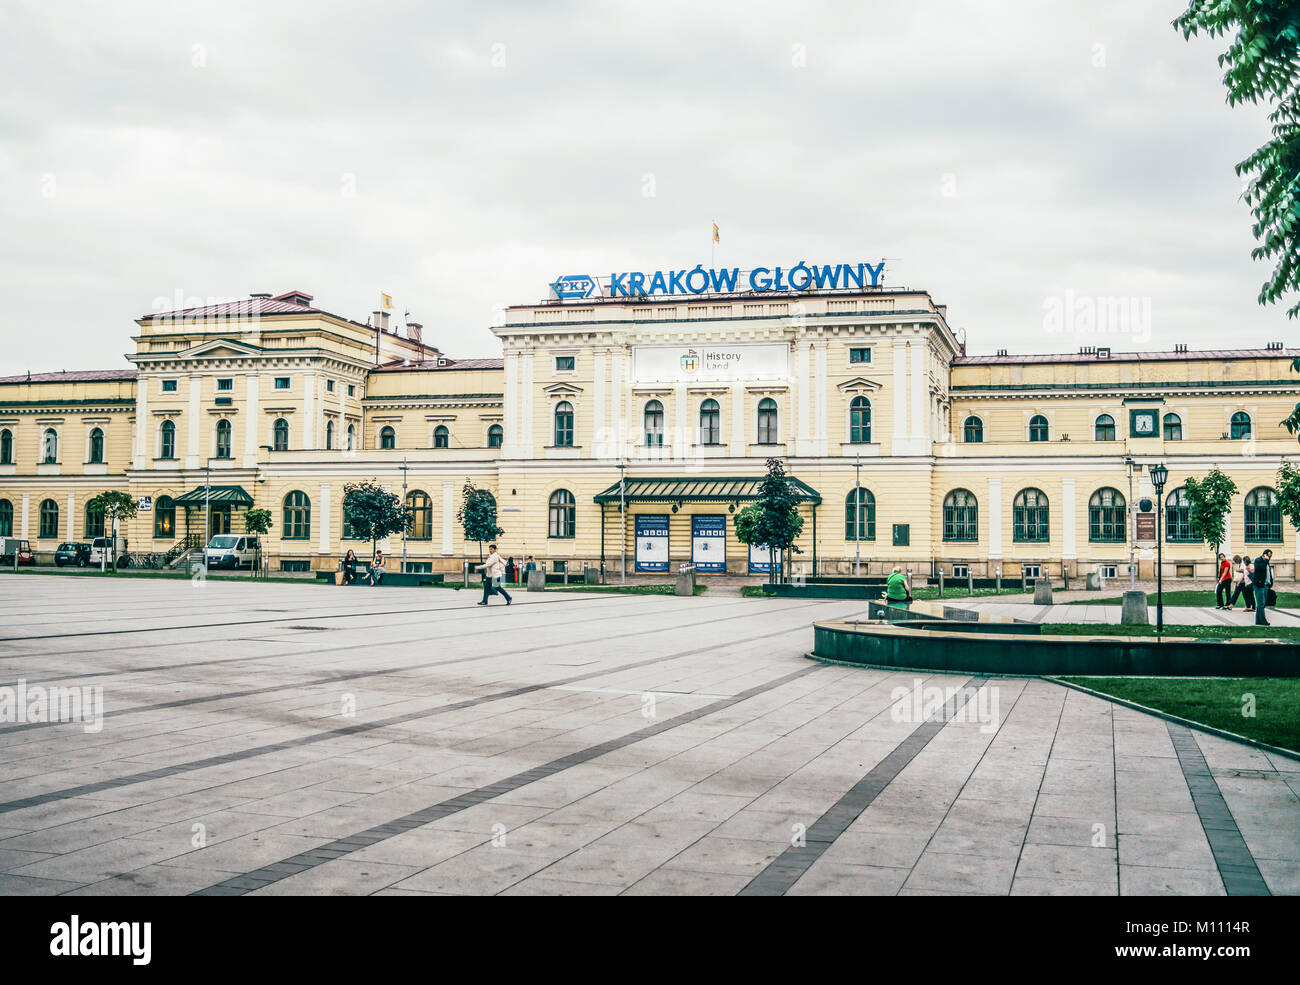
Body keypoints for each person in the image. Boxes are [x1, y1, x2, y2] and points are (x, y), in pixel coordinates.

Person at [1253, 549, 1273, 626]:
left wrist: (1270, 582)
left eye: (1270, 556)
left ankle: (1258, 620)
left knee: (1262, 604)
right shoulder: (1258, 560)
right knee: (1261, 603)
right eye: (1268, 555)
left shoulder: (1266, 562)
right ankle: (1263, 621)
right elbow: (1259, 569)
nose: (1269, 557)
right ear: (1264, 555)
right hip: (1259, 585)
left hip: (1266, 585)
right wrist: (1266, 561)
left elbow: (1268, 572)